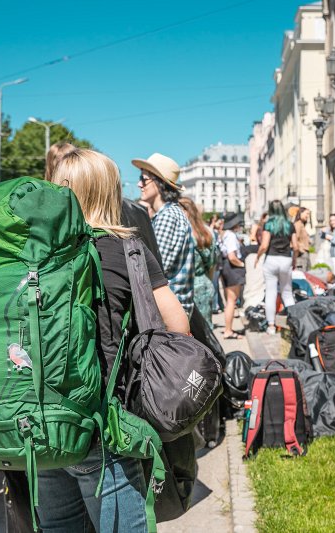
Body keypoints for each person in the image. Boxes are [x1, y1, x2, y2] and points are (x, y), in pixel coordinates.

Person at [39, 148, 189, 532]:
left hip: (40, 426)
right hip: (101, 424)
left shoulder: (32, 253)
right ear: (109, 192)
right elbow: (180, 329)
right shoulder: (126, 248)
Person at [134, 153, 194, 316]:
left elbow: (155, 269)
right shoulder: (170, 213)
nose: (139, 184)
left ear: (159, 183)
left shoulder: (167, 216)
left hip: (169, 310)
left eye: (144, 179)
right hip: (174, 307)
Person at [256, 200, 297, 335]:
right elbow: (295, 247)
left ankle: (271, 325)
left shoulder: (269, 224)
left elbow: (264, 245)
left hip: (272, 259)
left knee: (271, 292)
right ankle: (294, 322)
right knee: (287, 292)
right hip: (286, 259)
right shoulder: (289, 225)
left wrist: (257, 258)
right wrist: (294, 261)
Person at [179, 197, 218, 327]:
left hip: (184, 287)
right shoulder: (206, 232)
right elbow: (212, 264)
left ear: (186, 211)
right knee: (205, 331)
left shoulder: (181, 232)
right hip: (204, 284)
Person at [219, 212, 245, 339]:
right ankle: (228, 330)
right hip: (232, 268)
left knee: (229, 300)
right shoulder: (230, 236)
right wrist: (241, 264)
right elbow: (232, 256)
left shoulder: (224, 235)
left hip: (226, 267)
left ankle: (228, 329)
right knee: (231, 301)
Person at [293, 207, 311, 271]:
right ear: (301, 213)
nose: (308, 216)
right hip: (301, 255)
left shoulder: (302, 225)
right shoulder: (298, 224)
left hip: (304, 253)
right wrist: (301, 249)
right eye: (307, 214)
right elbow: (294, 239)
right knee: (302, 273)